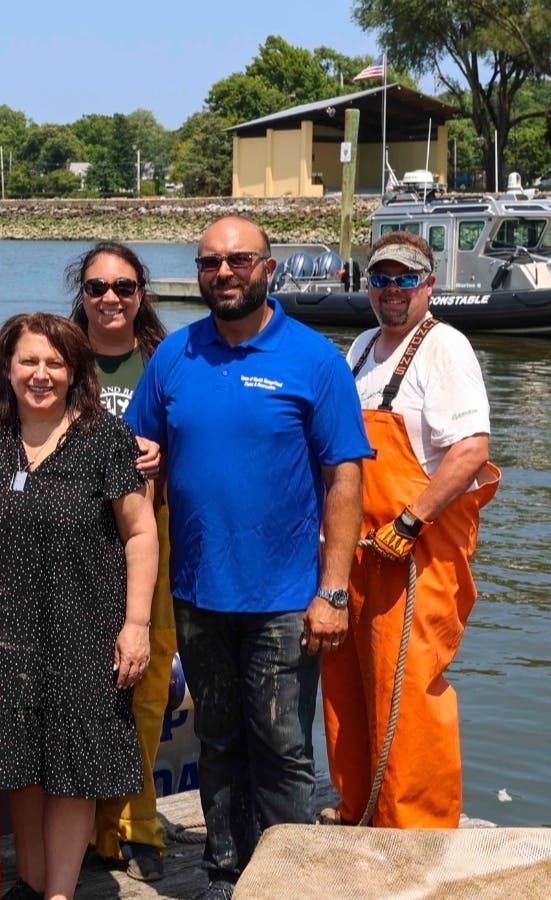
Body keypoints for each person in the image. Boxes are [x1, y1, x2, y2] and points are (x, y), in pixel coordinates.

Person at [125, 215, 371, 900]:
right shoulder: (175, 356)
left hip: (287, 599)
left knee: (284, 750)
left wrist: (335, 591)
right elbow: (137, 452)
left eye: (238, 261)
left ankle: (291, 881)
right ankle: (226, 873)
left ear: (269, 268)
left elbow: (345, 478)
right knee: (220, 740)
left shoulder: (314, 358)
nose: (224, 274)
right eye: (209, 263)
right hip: (198, 592)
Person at [0, 313, 158, 900]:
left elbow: (140, 533)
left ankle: (59, 893)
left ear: (75, 370)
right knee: (21, 767)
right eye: (28, 361)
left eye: (55, 363)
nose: (41, 374)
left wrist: (136, 625)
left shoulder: (104, 436)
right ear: (7, 368)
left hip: (86, 628)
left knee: (73, 773)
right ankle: (29, 883)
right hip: (7, 634)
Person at [322, 231, 500, 828]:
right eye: (380, 279)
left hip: (415, 552)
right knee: (346, 684)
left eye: (404, 279)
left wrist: (410, 520)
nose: (390, 291)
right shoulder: (363, 347)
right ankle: (358, 812)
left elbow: (471, 449)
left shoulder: (445, 348)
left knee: (408, 688)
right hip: (356, 549)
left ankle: (416, 832)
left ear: (429, 283)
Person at [67, 242, 174, 882]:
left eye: (124, 286)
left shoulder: (167, 361)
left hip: (147, 537)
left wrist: (169, 459)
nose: (111, 297)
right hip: (76, 545)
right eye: (97, 285)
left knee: (148, 684)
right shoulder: (56, 358)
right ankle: (80, 826)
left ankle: (134, 824)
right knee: (82, 687)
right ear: (80, 291)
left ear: (142, 293)